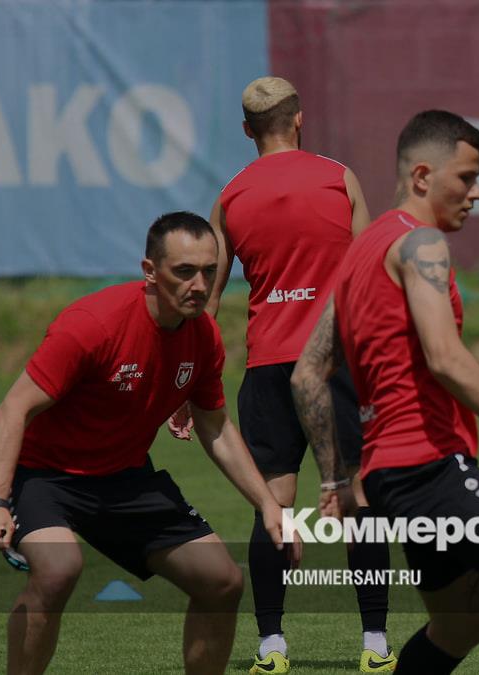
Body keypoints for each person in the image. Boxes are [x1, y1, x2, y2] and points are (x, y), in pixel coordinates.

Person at [291, 110, 479, 675]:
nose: (477, 193)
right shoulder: (420, 242)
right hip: (426, 468)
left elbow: (307, 374)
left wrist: (336, 479)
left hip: (389, 475)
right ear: (423, 176)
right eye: (467, 178)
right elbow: (445, 357)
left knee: (461, 626)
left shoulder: (361, 252)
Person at [0, 212, 299, 675]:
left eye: (209, 272)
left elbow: (215, 427)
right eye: (184, 271)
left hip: (125, 478)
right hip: (46, 476)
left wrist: (268, 504)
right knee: (59, 569)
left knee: (222, 581)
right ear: (150, 271)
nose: (199, 285)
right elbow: (13, 409)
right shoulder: (93, 324)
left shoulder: (203, 337)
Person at [197, 75, 393, 674]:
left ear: (246, 129)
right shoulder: (339, 178)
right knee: (358, 499)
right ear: (299, 119)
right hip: (338, 364)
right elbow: (373, 277)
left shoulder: (230, 197)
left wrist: (186, 386)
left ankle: (272, 646)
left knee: (273, 505)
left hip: (269, 368)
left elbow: (206, 302)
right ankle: (376, 644)